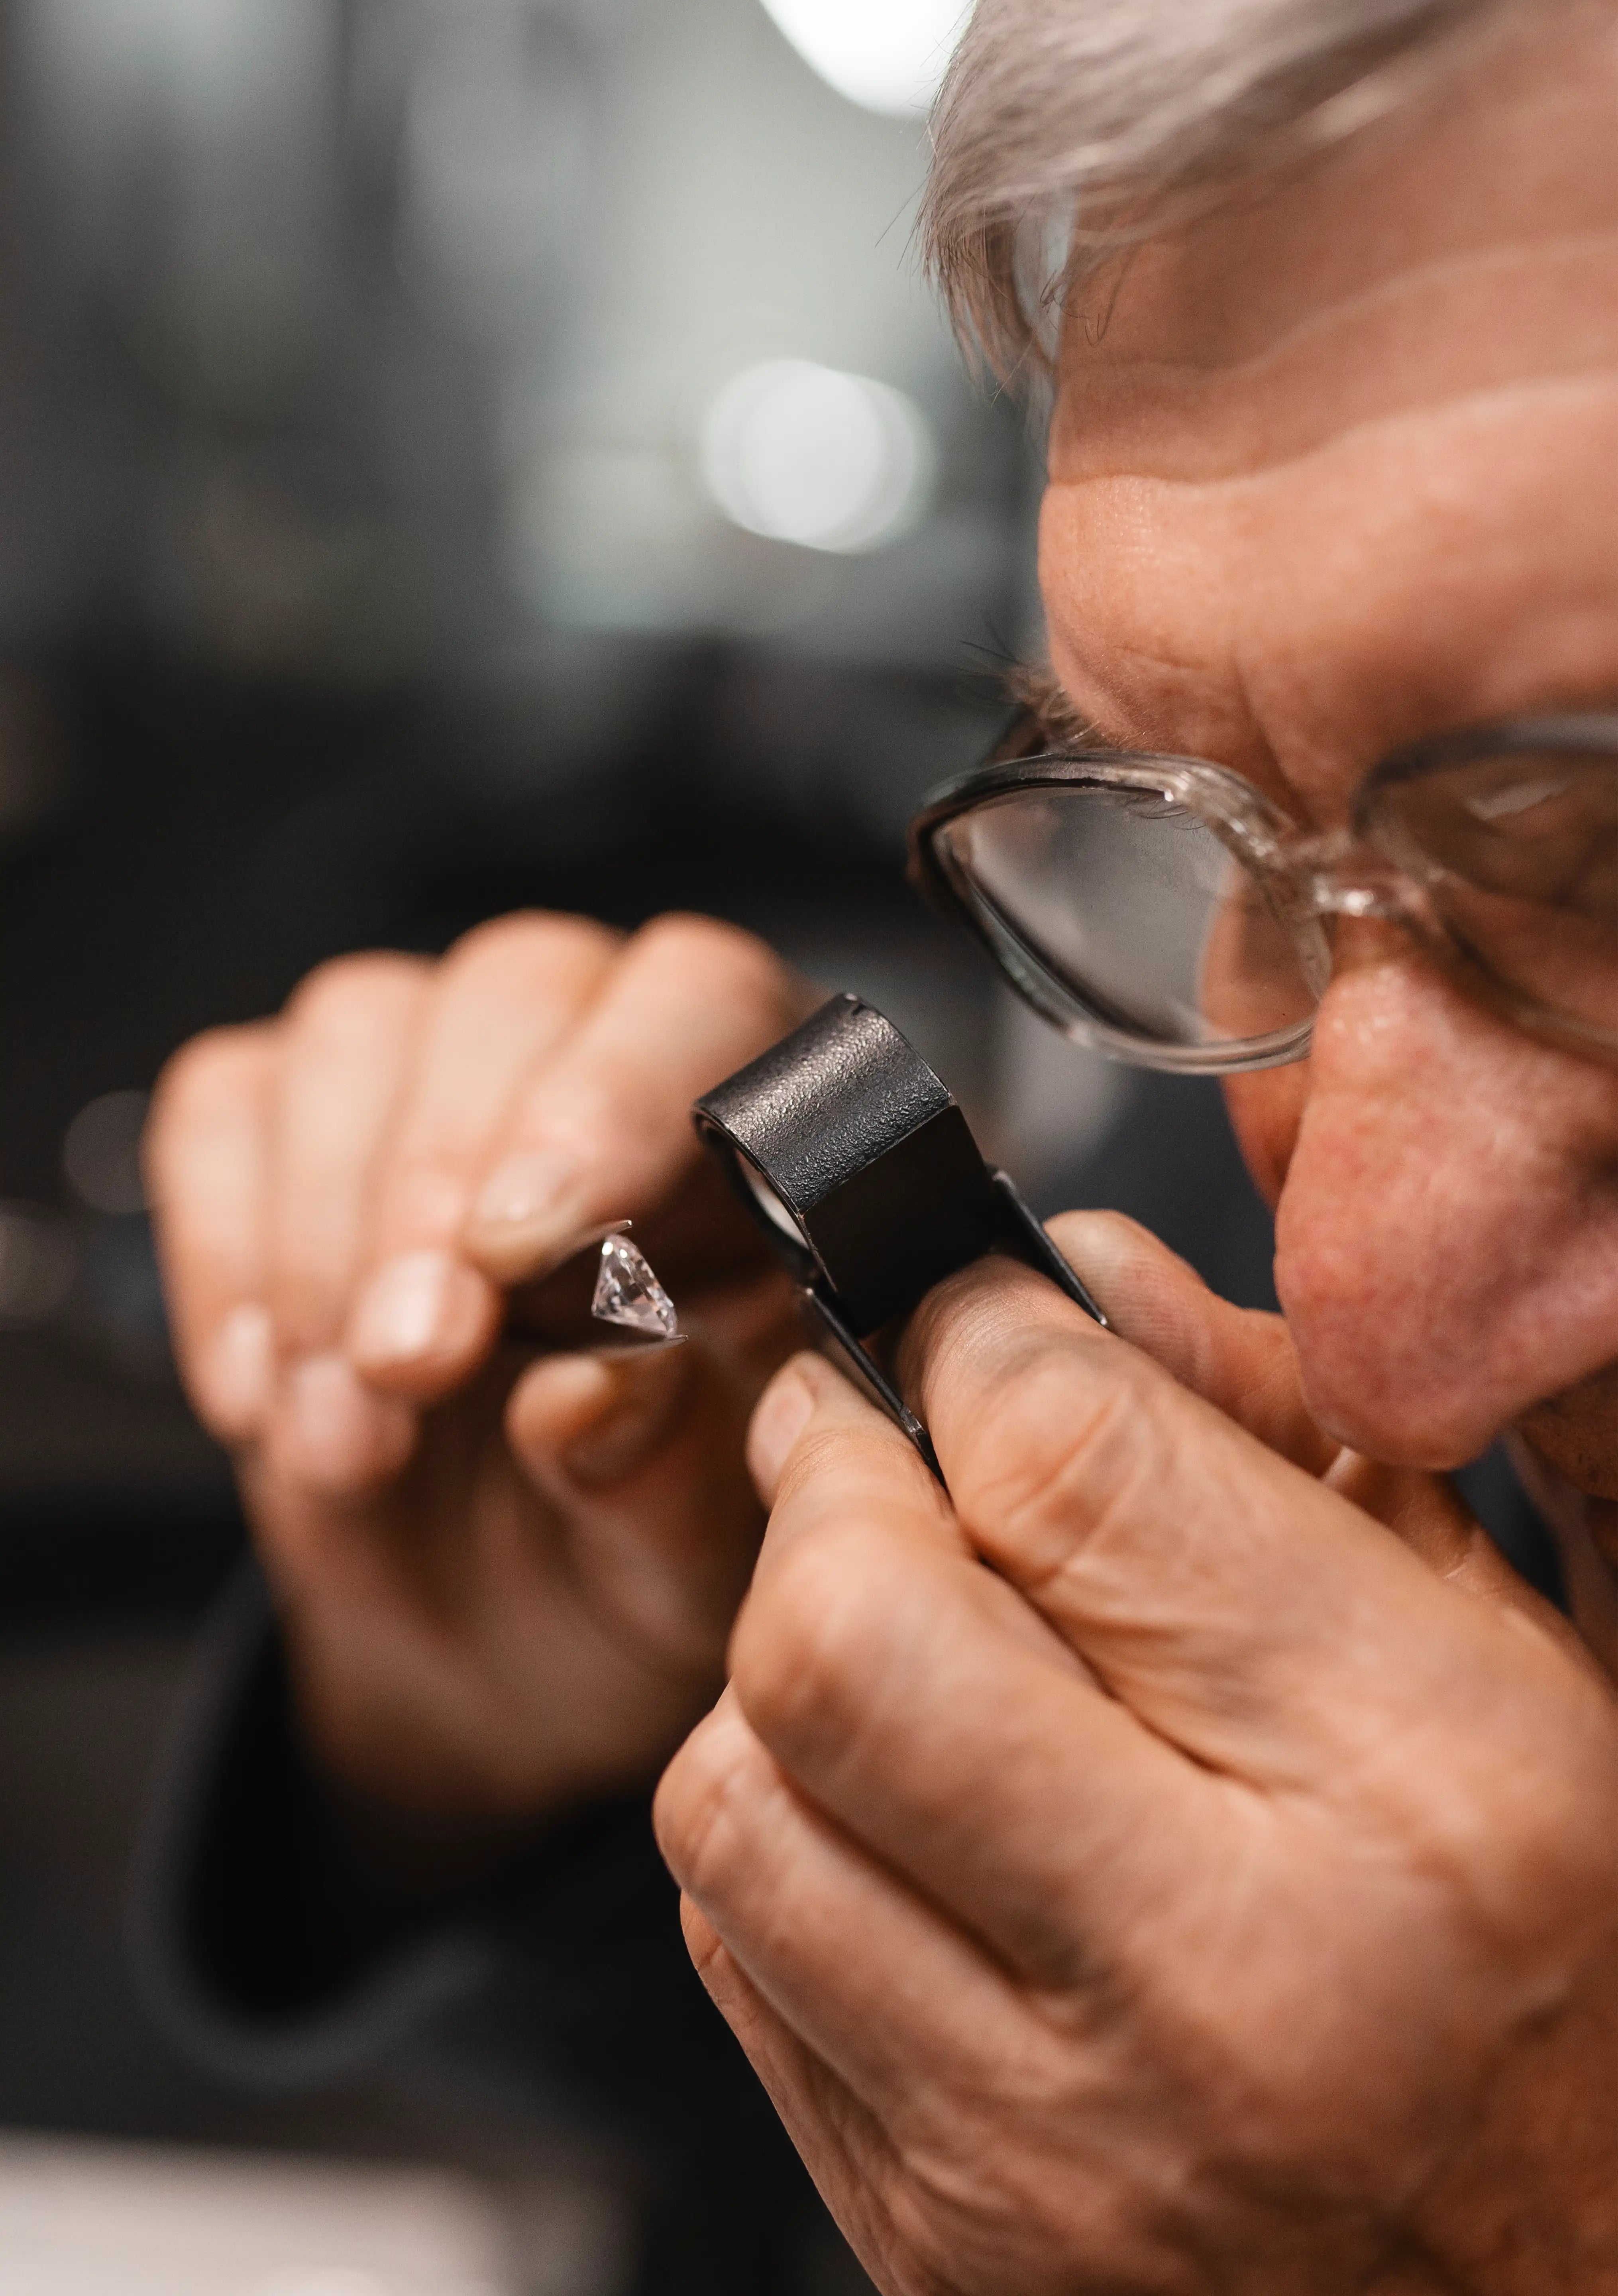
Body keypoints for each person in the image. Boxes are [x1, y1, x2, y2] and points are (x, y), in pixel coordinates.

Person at [138, 0, 1618, 2287]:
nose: (1373, 1312)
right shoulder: (1220, 1141)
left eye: (1602, 875)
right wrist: (591, 1736)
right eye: (1208, 821)